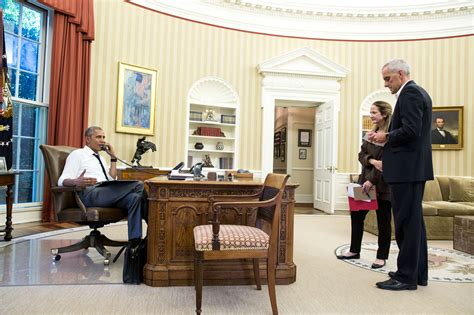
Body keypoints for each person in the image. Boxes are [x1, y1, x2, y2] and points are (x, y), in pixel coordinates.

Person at [369, 59, 433, 291]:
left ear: (401, 74)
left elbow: (411, 131)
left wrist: (385, 136)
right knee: (414, 224)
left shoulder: (411, 93)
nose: (386, 84)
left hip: (408, 170)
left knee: (406, 223)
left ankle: (406, 277)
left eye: (388, 78)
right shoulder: (417, 93)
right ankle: (417, 274)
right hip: (411, 168)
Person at [58, 126, 148, 244]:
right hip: (89, 194)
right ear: (88, 139)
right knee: (139, 185)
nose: (103, 140)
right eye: (98, 137)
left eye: (104, 137)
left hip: (105, 192)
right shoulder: (78, 154)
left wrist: (113, 158)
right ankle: (155, 228)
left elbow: (110, 178)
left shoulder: (101, 158)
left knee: (135, 198)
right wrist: (76, 181)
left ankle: (135, 243)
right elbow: (61, 180)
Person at [337, 101, 392, 269]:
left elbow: (386, 164)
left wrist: (372, 180)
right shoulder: (369, 134)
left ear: (384, 114)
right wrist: (372, 160)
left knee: (383, 221)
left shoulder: (390, 136)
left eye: (374, 112)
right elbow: (361, 155)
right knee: (357, 216)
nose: (371, 115)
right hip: (364, 182)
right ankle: (354, 250)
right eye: (370, 112)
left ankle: (381, 256)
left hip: (382, 185)